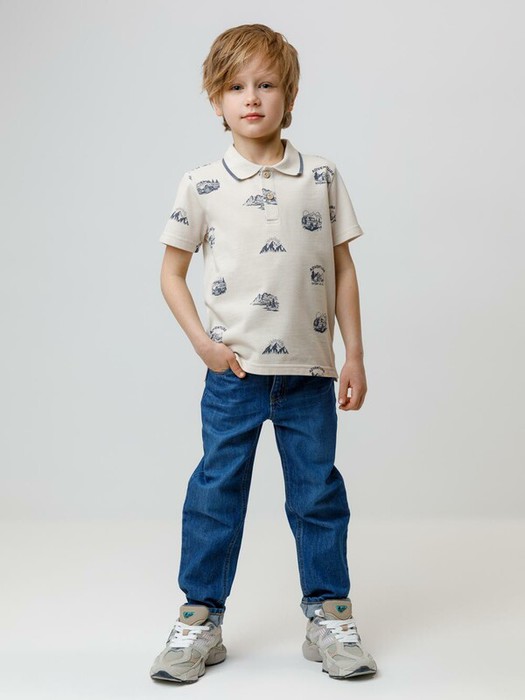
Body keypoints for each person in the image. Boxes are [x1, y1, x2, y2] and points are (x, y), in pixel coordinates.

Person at [149, 23, 377, 684]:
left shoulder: (321, 178)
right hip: (235, 374)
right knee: (216, 493)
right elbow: (170, 272)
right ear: (216, 101)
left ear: (289, 96)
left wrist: (354, 355)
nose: (251, 98)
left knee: (317, 495)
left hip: (309, 373)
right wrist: (203, 344)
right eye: (235, 87)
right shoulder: (202, 184)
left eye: (266, 84)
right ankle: (199, 619)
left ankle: (329, 616)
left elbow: (343, 270)